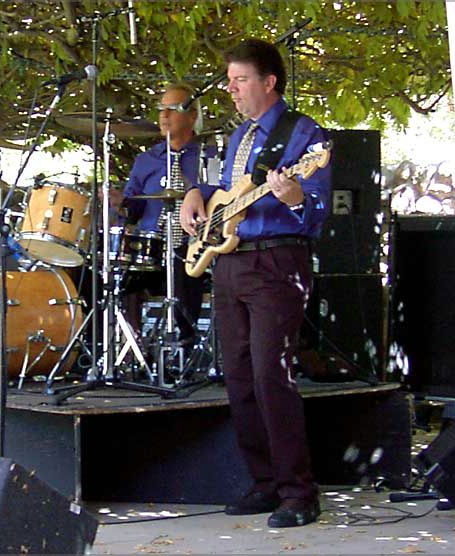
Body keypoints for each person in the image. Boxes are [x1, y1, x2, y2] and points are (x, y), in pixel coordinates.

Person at [180, 39, 331, 528]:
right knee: (240, 377)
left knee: (271, 375)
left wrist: (293, 197)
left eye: (240, 80)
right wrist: (195, 194)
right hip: (230, 262)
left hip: (276, 261)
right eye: (230, 81)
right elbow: (227, 191)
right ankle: (265, 483)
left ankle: (298, 493)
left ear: (269, 82)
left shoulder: (305, 134)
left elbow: (317, 210)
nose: (231, 89)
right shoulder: (239, 136)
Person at [109, 83, 207, 351]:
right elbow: (133, 210)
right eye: (161, 109)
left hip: (192, 245)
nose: (164, 115)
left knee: (184, 270)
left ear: (192, 116)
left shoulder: (207, 156)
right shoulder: (146, 160)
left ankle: (184, 348)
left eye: (173, 108)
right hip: (150, 247)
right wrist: (120, 203)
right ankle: (134, 349)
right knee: (120, 277)